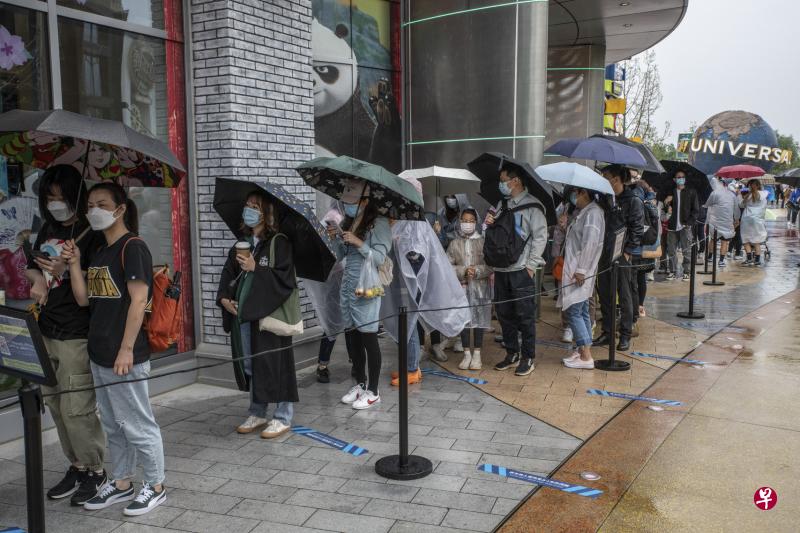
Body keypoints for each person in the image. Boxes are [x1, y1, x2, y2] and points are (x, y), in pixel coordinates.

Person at [62, 182, 165, 516]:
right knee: (112, 424)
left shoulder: (132, 247)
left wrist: (126, 349)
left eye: (102, 204)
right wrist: (75, 263)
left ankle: (156, 485)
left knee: (136, 423)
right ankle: (122, 482)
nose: (94, 210)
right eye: (90, 204)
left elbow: (139, 301)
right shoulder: (99, 250)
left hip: (125, 355)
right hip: (98, 351)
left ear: (120, 209)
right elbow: (83, 299)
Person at [24, 165, 107, 506]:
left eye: (60, 197)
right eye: (49, 197)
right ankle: (76, 464)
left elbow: (91, 291)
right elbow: (32, 263)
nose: (54, 203)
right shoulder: (47, 227)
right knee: (56, 405)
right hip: (47, 327)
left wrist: (69, 267)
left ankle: (96, 469)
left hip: (76, 331)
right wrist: (39, 280)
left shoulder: (91, 233)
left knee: (77, 406)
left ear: (74, 195)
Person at [216, 190, 299, 437]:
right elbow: (227, 275)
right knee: (251, 365)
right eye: (247, 205)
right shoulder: (241, 243)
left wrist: (256, 268)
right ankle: (257, 412)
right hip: (244, 315)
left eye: (255, 206)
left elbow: (285, 280)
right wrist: (224, 299)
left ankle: (283, 416)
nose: (249, 210)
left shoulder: (278, 242)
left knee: (277, 364)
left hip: (269, 317)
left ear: (266, 213)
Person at [327, 179, 392, 409]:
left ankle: (374, 390)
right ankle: (360, 383)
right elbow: (341, 255)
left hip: (367, 287)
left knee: (368, 337)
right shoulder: (349, 220)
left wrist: (358, 242)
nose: (348, 205)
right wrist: (336, 237)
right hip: (348, 285)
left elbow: (380, 258)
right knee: (352, 336)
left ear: (366, 199)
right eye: (345, 201)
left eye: (352, 201)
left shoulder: (379, 223)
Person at [486, 166, 548, 376]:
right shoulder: (501, 204)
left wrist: (531, 266)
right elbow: (493, 232)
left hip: (521, 269)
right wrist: (489, 223)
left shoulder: (533, 206)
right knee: (504, 314)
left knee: (525, 315)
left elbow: (540, 237)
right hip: (501, 268)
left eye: (504, 180)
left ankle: (528, 357)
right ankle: (511, 352)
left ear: (516, 181)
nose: (501, 184)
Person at [594, 165, 643, 352]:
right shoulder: (604, 199)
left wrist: (628, 252)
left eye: (605, 176)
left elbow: (637, 228)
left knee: (625, 295)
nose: (603, 179)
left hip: (622, 256)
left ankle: (625, 334)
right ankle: (607, 331)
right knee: (605, 294)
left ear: (616, 179)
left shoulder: (633, 201)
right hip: (604, 254)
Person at [559, 188, 605, 369]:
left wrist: (581, 270)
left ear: (584, 193)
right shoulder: (586, 212)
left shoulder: (593, 213)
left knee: (574, 311)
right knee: (583, 310)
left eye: (576, 194)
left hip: (580, 271)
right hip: (579, 270)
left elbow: (590, 243)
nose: (574, 198)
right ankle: (582, 350)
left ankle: (586, 356)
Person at [446, 208, 492, 370]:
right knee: (464, 320)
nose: (467, 223)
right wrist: (462, 271)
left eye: (471, 220)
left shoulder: (483, 242)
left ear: (476, 222)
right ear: (459, 222)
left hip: (480, 288)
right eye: (464, 220)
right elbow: (447, 266)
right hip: (461, 288)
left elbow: (490, 265)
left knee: (479, 320)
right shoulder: (454, 243)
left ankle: (477, 354)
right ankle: (466, 354)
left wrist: (477, 271)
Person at [663, 171, 699, 281]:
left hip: (685, 226)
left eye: (683, 177)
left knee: (686, 250)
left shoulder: (691, 192)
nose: (681, 179)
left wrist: (689, 223)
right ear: (674, 179)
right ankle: (672, 271)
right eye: (678, 177)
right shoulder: (670, 192)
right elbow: (665, 211)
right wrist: (666, 203)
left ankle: (687, 272)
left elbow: (696, 210)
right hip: (672, 226)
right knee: (671, 250)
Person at [704, 177, 739, 268]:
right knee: (724, 242)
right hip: (727, 222)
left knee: (713, 239)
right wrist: (737, 219)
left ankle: (710, 257)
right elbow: (736, 209)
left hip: (715, 221)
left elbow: (707, 204)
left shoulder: (714, 193)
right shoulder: (732, 195)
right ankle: (721, 260)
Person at [739, 179, 769, 266]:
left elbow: (741, 205)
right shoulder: (764, 195)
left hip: (746, 219)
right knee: (757, 240)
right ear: (759, 185)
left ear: (750, 186)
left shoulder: (748, 196)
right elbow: (764, 208)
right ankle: (757, 260)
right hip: (757, 220)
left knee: (746, 239)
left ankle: (749, 259)